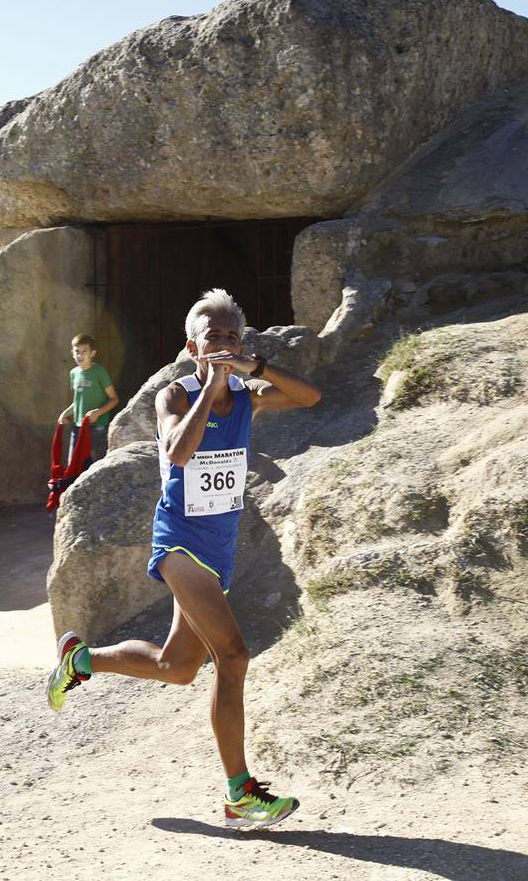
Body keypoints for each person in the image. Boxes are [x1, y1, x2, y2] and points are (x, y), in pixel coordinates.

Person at [45, 289, 322, 830]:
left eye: (232, 337)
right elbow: (176, 451)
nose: (223, 343)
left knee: (176, 668)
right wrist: (213, 385)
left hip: (219, 548)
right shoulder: (174, 395)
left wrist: (254, 367)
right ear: (191, 345)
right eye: (213, 336)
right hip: (179, 543)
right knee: (234, 657)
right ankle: (239, 793)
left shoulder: (249, 392)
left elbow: (310, 396)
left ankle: (81, 661)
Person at [57, 333, 118, 466]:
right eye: (77, 351)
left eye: (84, 351)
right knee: (73, 466)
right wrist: (65, 414)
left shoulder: (99, 372)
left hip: (97, 428)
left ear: (92, 353)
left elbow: (114, 399)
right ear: (72, 353)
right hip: (78, 427)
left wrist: (98, 412)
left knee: (96, 467)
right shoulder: (74, 373)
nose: (80, 355)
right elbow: (78, 401)